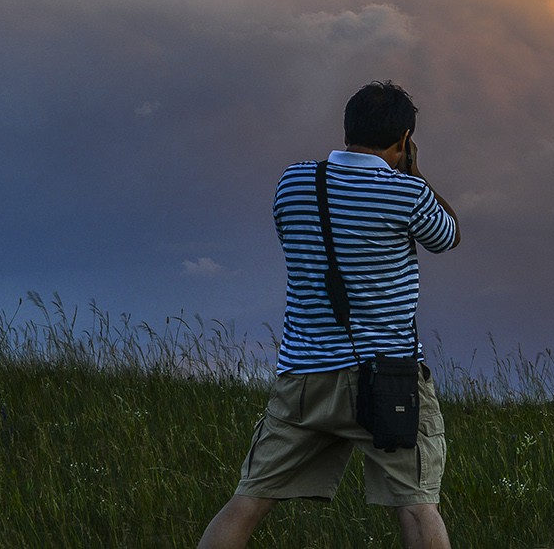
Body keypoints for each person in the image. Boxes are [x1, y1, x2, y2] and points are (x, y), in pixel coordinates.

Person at [198, 81, 462, 549]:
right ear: (404, 139)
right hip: (389, 379)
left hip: (304, 376)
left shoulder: (293, 182)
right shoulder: (406, 193)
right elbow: (448, 236)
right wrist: (416, 174)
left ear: (347, 129)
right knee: (418, 507)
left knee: (249, 499)